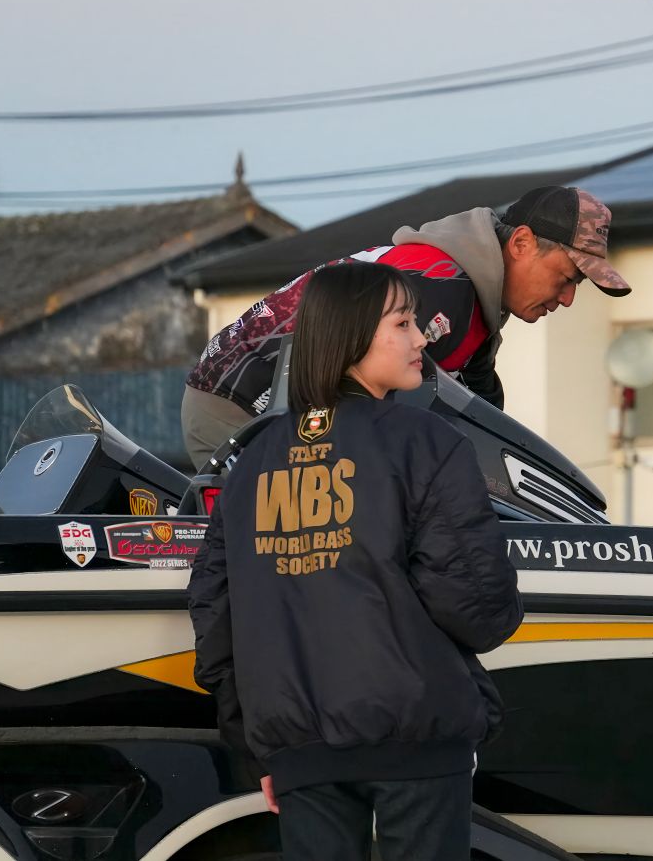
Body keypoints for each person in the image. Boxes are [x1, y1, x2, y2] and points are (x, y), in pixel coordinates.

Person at [187, 260, 523, 861]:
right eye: (403, 323)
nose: (421, 339)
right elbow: (478, 608)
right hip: (418, 742)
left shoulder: (249, 463)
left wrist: (263, 747)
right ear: (352, 336)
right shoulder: (426, 442)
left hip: (299, 754)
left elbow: (215, 614)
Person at [181, 185, 631, 468]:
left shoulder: (474, 303)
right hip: (241, 405)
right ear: (521, 243)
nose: (568, 298)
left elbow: (484, 420)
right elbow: (368, 403)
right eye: (566, 278)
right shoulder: (441, 285)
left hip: (283, 407)